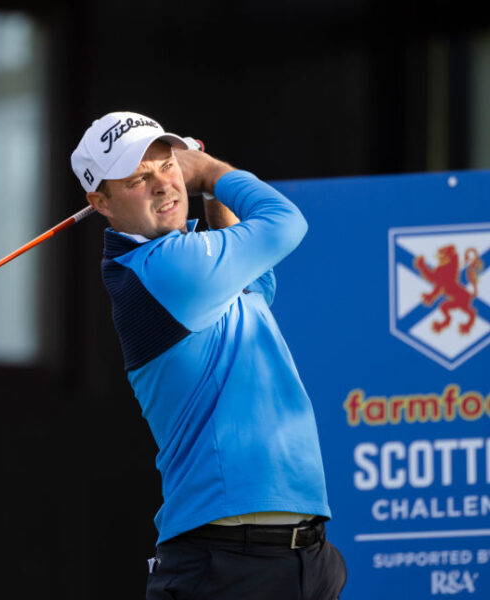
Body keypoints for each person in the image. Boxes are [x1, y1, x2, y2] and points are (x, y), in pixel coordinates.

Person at [71, 111, 346, 600]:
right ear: (101, 203)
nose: (162, 184)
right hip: (227, 562)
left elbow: (257, 285)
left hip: (303, 555)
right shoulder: (163, 269)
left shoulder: (190, 261)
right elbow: (286, 223)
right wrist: (210, 172)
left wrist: (209, 191)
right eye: (138, 178)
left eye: (166, 165)